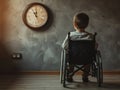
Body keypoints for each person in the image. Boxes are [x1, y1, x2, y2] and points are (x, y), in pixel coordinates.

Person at [62, 12, 94, 82]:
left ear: (74, 24)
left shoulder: (70, 35)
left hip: (73, 57)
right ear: (87, 25)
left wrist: (69, 50)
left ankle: (70, 75)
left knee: (71, 59)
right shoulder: (90, 36)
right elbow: (94, 47)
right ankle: (85, 76)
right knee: (88, 60)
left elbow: (64, 46)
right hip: (86, 58)